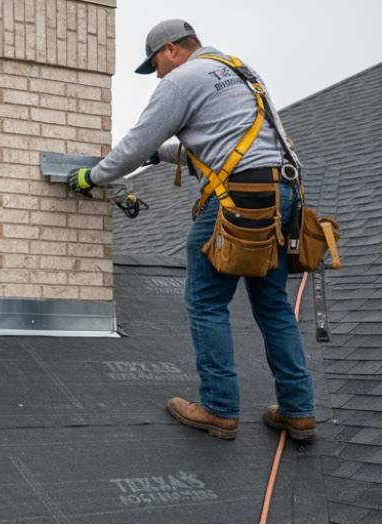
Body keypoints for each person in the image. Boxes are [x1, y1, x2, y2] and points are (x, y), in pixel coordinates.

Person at [67, 20, 316, 442]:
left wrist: (93, 176)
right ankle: (299, 411)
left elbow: (136, 143)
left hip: (238, 199)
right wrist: (164, 157)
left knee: (207, 303)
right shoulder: (239, 70)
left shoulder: (181, 81)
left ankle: (219, 408)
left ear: (170, 50)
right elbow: (218, 139)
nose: (158, 74)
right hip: (283, 194)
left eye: (156, 65)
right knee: (273, 307)